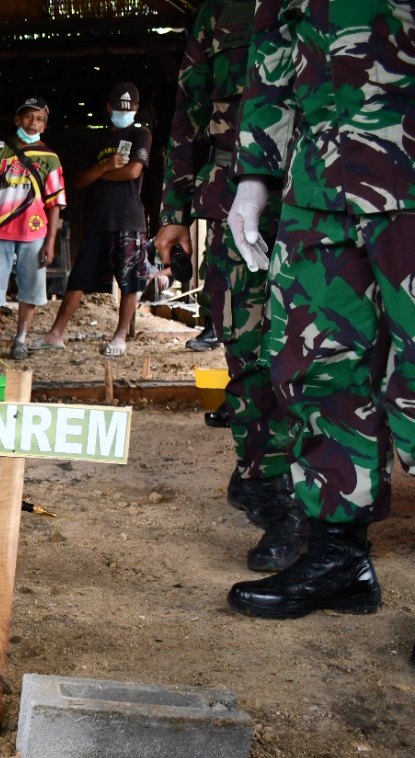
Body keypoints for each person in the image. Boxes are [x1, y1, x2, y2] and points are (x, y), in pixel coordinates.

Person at [225, 1, 413, 624]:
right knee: (318, 367)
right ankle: (340, 556)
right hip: (318, 181)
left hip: (408, 166)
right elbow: (273, 50)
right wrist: (255, 174)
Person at [153, 0, 304, 575]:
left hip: (324, 197)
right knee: (247, 354)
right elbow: (187, 111)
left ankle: (311, 490)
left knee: (315, 353)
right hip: (233, 209)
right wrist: (172, 210)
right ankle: (270, 488)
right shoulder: (221, 11)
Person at [33, 82, 152, 357]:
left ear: (135, 109)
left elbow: (133, 171)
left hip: (129, 220)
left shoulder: (141, 133)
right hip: (99, 220)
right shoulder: (96, 141)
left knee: (129, 281)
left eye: (129, 108)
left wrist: (98, 174)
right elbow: (78, 181)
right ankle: (55, 334)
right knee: (79, 279)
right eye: (119, 108)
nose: (124, 112)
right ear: (108, 108)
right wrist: (106, 167)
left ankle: (120, 336)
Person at [0, 97, 66, 361]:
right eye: (29, 117)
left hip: (35, 233)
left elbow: (55, 204)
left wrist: (51, 242)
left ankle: (20, 341)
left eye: (40, 119)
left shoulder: (50, 158)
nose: (34, 123)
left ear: (45, 124)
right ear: (18, 120)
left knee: (31, 287)